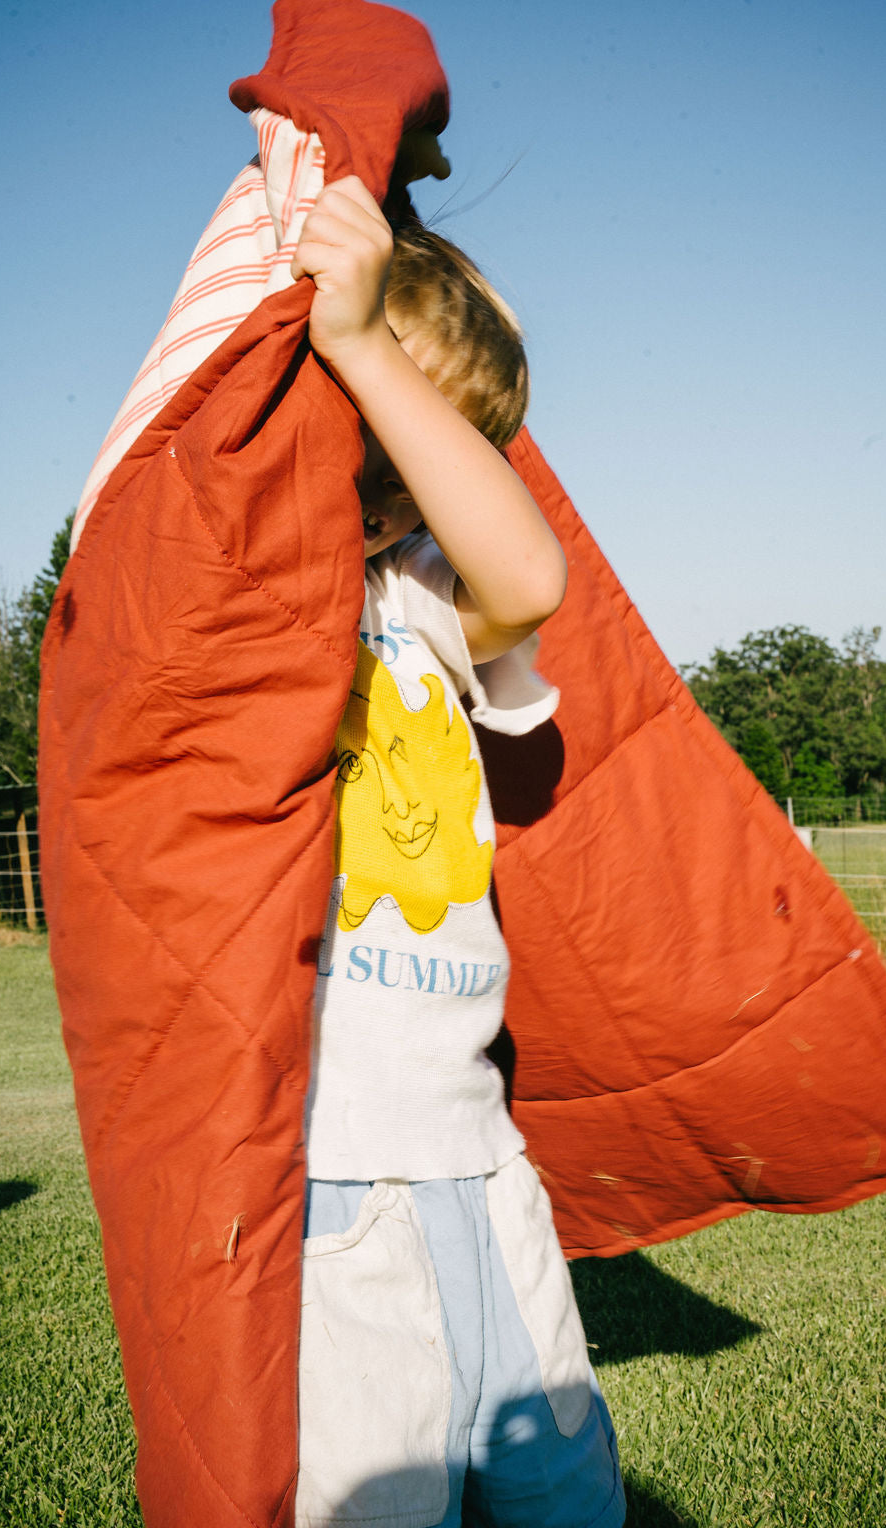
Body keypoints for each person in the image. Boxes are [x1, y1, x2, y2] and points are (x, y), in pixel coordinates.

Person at [288, 175, 627, 1528]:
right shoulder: (266, 593)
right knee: (375, 1499)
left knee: (562, 1494)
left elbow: (530, 579)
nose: (387, 485)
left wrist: (374, 352)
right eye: (370, 442)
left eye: (425, 447)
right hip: (332, 1157)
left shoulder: (424, 591)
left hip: (480, 1147)